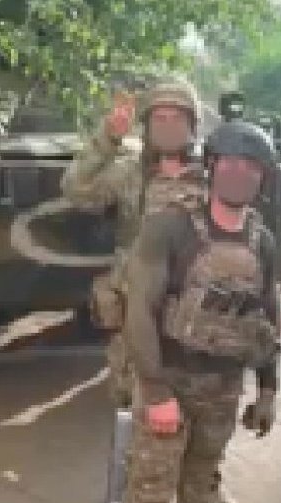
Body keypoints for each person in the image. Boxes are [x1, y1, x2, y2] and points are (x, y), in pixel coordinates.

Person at [119, 120, 281, 503]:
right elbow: (140, 311)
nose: (239, 173)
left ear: (263, 177)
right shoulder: (170, 228)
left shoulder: (262, 240)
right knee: (151, 488)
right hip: (170, 375)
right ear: (211, 166)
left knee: (203, 478)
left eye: (251, 166)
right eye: (229, 162)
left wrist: (268, 388)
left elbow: (265, 316)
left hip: (223, 384)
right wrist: (156, 390)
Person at [61, 77, 207, 410]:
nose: (168, 126)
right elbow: (75, 190)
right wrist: (108, 138)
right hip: (136, 313)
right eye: (160, 118)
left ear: (192, 125)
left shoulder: (211, 176)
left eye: (177, 118)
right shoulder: (129, 172)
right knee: (133, 406)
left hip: (193, 317)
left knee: (196, 403)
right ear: (147, 126)